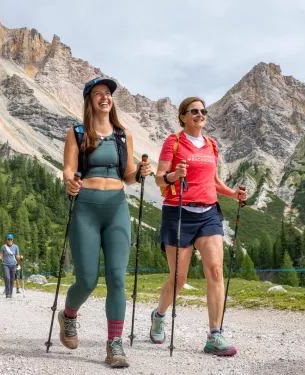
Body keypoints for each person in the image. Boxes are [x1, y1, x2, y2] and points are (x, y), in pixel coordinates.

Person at [60, 77, 151, 368]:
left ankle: (114, 344)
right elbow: (68, 170)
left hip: (117, 209)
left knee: (116, 277)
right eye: (99, 94)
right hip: (86, 208)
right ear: (90, 101)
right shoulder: (76, 133)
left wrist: (139, 173)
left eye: (108, 94)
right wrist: (70, 183)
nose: (105, 98)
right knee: (86, 280)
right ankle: (69, 315)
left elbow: (127, 175)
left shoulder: (123, 135)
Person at [149, 97, 248, 356]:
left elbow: (213, 181)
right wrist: (173, 176)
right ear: (182, 116)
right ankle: (159, 315)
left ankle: (215, 335)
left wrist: (232, 194)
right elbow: (160, 178)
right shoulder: (174, 142)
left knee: (215, 271)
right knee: (179, 279)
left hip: (208, 214)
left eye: (203, 111)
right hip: (178, 212)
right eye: (194, 111)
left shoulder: (211, 144)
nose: (200, 114)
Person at [0, 234, 23, 298]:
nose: (9, 240)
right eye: (8, 239)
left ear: (12, 240)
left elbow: (17, 256)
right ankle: (7, 293)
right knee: (7, 278)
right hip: (5, 264)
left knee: (12, 279)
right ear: (6, 240)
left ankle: (10, 293)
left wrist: (20, 257)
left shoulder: (16, 247)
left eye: (11, 239)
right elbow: (1, 256)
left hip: (13, 265)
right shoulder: (3, 247)